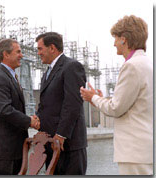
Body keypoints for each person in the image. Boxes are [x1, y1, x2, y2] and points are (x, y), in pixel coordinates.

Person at [80, 15, 153, 175]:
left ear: (124, 39)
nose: (114, 43)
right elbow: (134, 104)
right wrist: (101, 99)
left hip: (134, 152)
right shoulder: (147, 64)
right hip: (146, 148)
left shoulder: (131, 67)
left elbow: (116, 108)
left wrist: (92, 97)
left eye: (115, 38)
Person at [0, 38, 40, 175]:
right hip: (1, 151)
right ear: (6, 54)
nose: (21, 55)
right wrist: (29, 121)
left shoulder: (10, 76)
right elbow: (5, 110)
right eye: (18, 52)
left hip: (12, 149)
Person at [35, 32, 87, 175]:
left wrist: (61, 134)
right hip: (51, 143)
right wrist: (37, 118)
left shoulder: (71, 66)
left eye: (40, 49)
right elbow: (46, 103)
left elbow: (73, 103)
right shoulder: (47, 73)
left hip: (68, 145)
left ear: (52, 48)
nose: (38, 53)